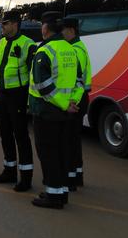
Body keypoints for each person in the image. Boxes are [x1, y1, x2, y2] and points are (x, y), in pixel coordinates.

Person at [28, 12, 80, 209]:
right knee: (59, 152)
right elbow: (78, 80)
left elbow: (43, 85)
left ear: (45, 28)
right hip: (65, 112)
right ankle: (61, 191)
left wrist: (63, 103)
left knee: (47, 152)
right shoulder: (70, 48)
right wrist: (71, 102)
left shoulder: (45, 51)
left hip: (47, 111)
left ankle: (53, 195)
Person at [0, 11, 37, 191]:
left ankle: (26, 177)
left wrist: (30, 101)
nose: (2, 27)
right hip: (2, 96)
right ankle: (9, 171)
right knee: (5, 134)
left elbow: (34, 76)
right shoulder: (0, 44)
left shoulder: (28, 45)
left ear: (15, 24)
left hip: (18, 96)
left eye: (5, 23)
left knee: (21, 136)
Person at [63, 17, 91, 189]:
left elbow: (78, 81)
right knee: (73, 140)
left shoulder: (75, 50)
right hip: (80, 99)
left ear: (72, 30)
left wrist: (71, 102)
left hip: (76, 100)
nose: (61, 34)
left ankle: (71, 179)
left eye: (64, 30)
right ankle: (77, 176)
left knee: (69, 141)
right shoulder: (79, 47)